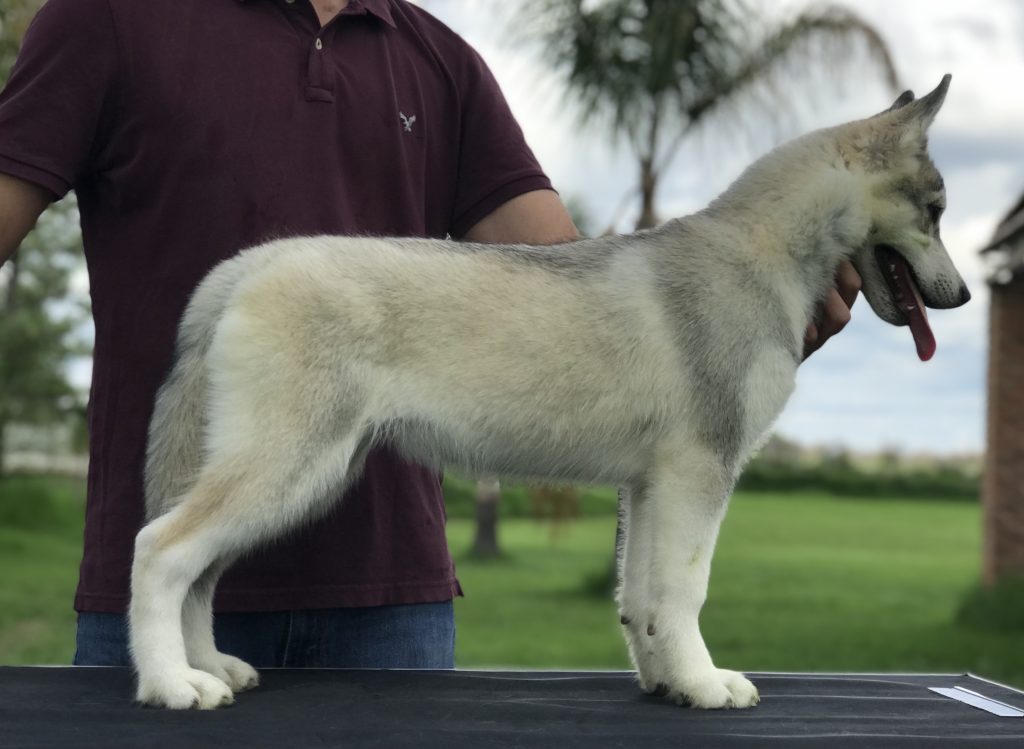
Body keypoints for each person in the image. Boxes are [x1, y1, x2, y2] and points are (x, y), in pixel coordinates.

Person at [0, 0, 858, 670]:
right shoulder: (106, 18)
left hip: (392, 600)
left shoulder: (440, 60)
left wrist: (747, 314)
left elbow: (572, 289)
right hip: (157, 586)